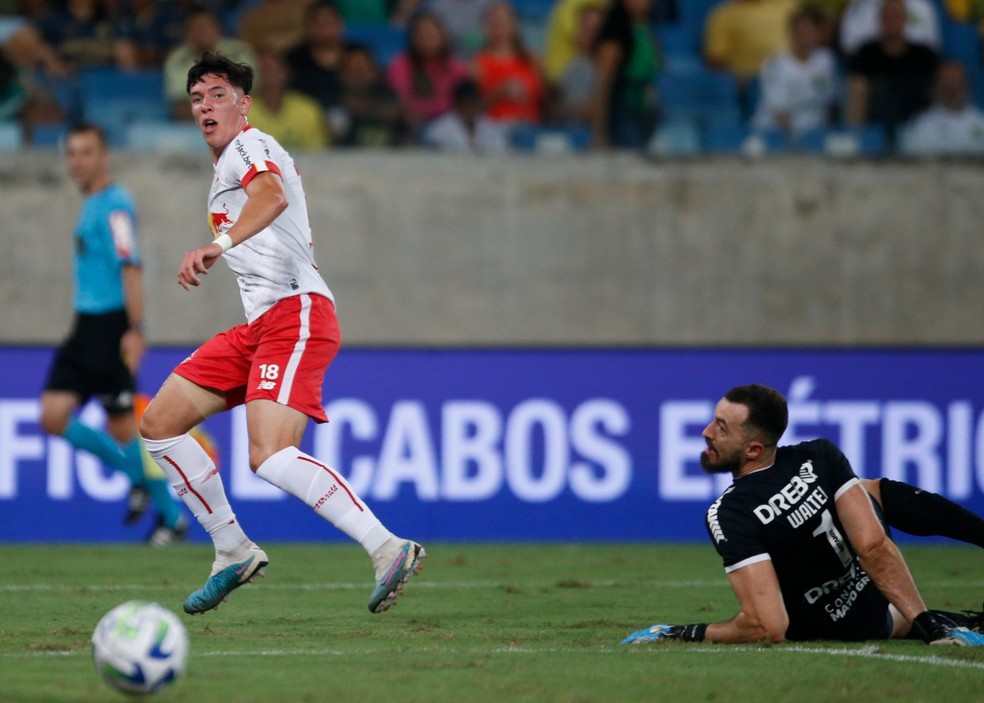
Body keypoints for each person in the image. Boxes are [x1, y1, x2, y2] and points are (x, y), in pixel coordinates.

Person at [138, 51, 425, 616]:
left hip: (298, 313)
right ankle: (231, 550)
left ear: (243, 105)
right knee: (159, 425)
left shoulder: (250, 145)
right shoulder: (223, 171)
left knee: (269, 455)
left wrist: (216, 247)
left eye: (218, 95)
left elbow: (273, 196)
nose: (206, 107)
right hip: (260, 327)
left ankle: (387, 546)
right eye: (197, 99)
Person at [622, 384, 984, 646]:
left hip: (845, 624)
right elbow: (872, 546)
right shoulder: (819, 455)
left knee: (859, 496)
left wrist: (683, 632)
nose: (706, 433)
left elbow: (769, 626)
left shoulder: (730, 512)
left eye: (721, 427)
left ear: (753, 449)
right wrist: (926, 621)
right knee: (868, 489)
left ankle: (933, 622)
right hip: (877, 592)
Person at [40, 123, 187, 547]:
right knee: (53, 416)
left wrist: (135, 329)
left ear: (104, 156)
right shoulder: (91, 203)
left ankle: (171, 518)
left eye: (86, 152)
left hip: (109, 327)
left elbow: (131, 266)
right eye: (71, 153)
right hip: (83, 326)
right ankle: (137, 481)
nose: (77, 162)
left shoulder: (116, 205)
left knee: (124, 428)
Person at [845, 0, 939, 148]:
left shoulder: (923, 55)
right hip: (877, 121)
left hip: (916, 126)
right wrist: (857, 133)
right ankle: (860, 139)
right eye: (887, 17)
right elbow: (857, 94)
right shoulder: (867, 53)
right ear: (880, 20)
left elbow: (933, 94)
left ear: (905, 20)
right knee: (860, 86)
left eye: (896, 16)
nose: (892, 21)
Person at [750, 5, 839, 140]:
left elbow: (828, 105)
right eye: (799, 30)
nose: (804, 35)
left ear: (817, 33)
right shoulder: (776, 64)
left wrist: (819, 137)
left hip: (813, 135)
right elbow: (779, 112)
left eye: (809, 31)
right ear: (790, 32)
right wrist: (799, 140)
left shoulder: (826, 61)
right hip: (774, 135)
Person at [589, 0, 661, 150]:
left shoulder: (645, 29)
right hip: (624, 117)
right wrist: (600, 134)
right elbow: (603, 86)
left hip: (646, 114)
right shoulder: (616, 36)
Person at [163, 7, 256, 121]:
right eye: (194, 29)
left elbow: (253, 90)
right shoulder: (178, 58)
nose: (200, 33)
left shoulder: (239, 51)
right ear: (187, 33)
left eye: (204, 27)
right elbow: (180, 103)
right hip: (195, 123)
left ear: (218, 28)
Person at [386, 10, 469, 134]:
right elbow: (400, 98)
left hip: (448, 124)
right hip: (410, 123)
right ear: (413, 38)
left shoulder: (456, 66)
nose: (426, 40)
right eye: (421, 35)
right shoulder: (400, 65)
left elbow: (462, 100)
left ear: (442, 37)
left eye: (431, 35)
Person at [472, 1, 546, 129]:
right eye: (495, 23)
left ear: (515, 24)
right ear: (486, 27)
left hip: (529, 128)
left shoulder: (532, 59)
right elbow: (471, 107)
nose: (500, 28)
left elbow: (545, 99)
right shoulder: (477, 63)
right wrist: (498, 93)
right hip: (493, 130)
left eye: (505, 22)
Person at [248, 47, 329, 150]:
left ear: (286, 73)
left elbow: (318, 155)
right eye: (262, 70)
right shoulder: (241, 113)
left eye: (272, 69)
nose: (267, 75)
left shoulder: (307, 110)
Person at [703, 0, 799, 86]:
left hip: (796, 75)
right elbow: (715, 58)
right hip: (751, 83)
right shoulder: (724, 14)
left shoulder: (788, 6)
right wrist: (733, 81)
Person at [901, 60, 984, 156]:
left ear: (966, 85)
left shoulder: (980, 121)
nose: (952, 89)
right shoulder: (921, 124)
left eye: (957, 82)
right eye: (946, 83)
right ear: (935, 87)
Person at [333, 42, 407, 147]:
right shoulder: (332, 100)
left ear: (374, 72)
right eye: (353, 71)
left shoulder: (388, 96)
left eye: (364, 70)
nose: (359, 77)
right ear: (341, 74)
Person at [284, 0, 346, 115]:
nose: (323, 30)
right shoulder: (294, 59)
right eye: (318, 24)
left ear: (340, 25)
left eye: (328, 23)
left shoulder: (354, 56)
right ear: (307, 27)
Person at [422, 77, 508, 152]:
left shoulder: (491, 127)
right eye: (466, 104)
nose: (470, 108)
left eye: (474, 103)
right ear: (457, 104)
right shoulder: (439, 129)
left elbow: (501, 151)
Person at [840, 0, 941, 57]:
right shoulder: (859, 6)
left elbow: (932, 50)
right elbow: (848, 50)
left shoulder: (922, 7)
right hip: (872, 73)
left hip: (914, 75)